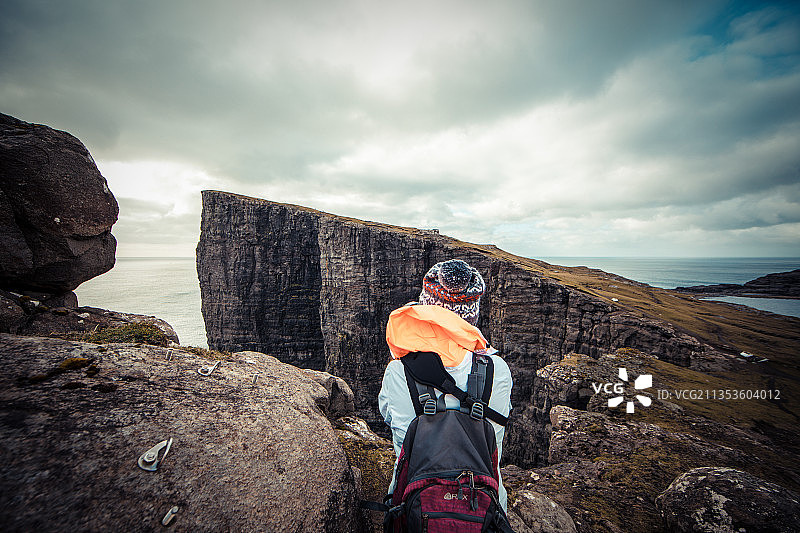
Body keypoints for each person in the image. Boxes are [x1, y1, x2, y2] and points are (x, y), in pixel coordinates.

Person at [378, 259, 513, 511]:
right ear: (472, 313)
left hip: (414, 506)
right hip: (484, 509)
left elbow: (389, 417)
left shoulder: (398, 371)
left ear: (424, 308)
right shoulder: (499, 370)